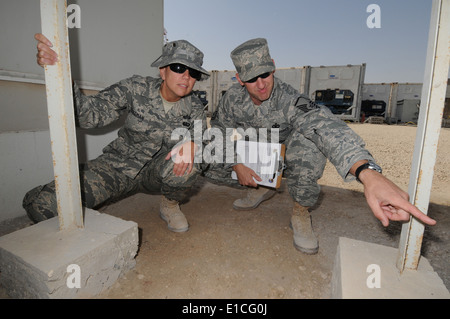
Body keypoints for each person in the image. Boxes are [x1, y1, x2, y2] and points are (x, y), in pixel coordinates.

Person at [205, 38, 436, 254]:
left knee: (310, 142)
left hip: (289, 156)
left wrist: (367, 172)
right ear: (239, 78)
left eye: (265, 74)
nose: (261, 84)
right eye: (252, 78)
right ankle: (260, 186)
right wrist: (236, 163)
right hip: (258, 155)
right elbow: (218, 129)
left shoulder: (290, 99)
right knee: (207, 155)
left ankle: (300, 211)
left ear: (273, 66)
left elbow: (325, 127)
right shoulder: (231, 99)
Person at [23, 34, 209, 233]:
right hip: (119, 166)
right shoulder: (135, 88)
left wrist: (195, 144)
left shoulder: (195, 107)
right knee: (43, 206)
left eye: (194, 73)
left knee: (193, 159)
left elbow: (206, 144)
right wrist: (61, 73)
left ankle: (170, 204)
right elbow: (89, 115)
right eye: (179, 68)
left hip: (158, 173)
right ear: (162, 71)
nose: (186, 76)